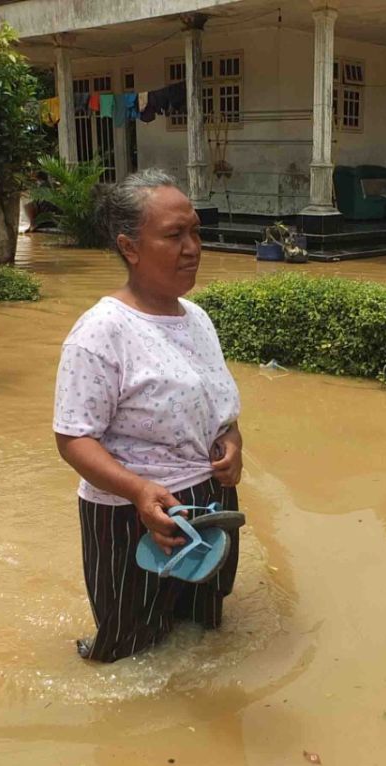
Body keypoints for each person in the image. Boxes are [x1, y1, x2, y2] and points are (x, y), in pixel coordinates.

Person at [53, 168, 244, 664]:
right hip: (132, 513)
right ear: (130, 247)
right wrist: (139, 491)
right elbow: (73, 439)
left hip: (209, 502)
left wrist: (234, 441)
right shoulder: (101, 332)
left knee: (203, 634)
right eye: (174, 235)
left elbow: (218, 406)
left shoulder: (197, 318)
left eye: (196, 231)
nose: (193, 247)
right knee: (130, 650)